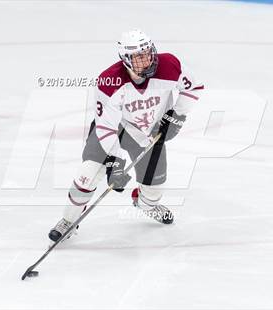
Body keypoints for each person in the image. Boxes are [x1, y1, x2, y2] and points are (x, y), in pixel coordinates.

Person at [49, 29, 204, 242]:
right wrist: (115, 161)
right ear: (125, 60)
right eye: (139, 56)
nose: (147, 60)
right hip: (114, 131)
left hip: (149, 133)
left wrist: (177, 116)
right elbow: (105, 128)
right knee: (87, 174)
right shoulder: (109, 81)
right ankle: (68, 220)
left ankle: (144, 203)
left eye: (148, 52)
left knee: (154, 191)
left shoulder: (169, 65)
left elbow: (194, 86)